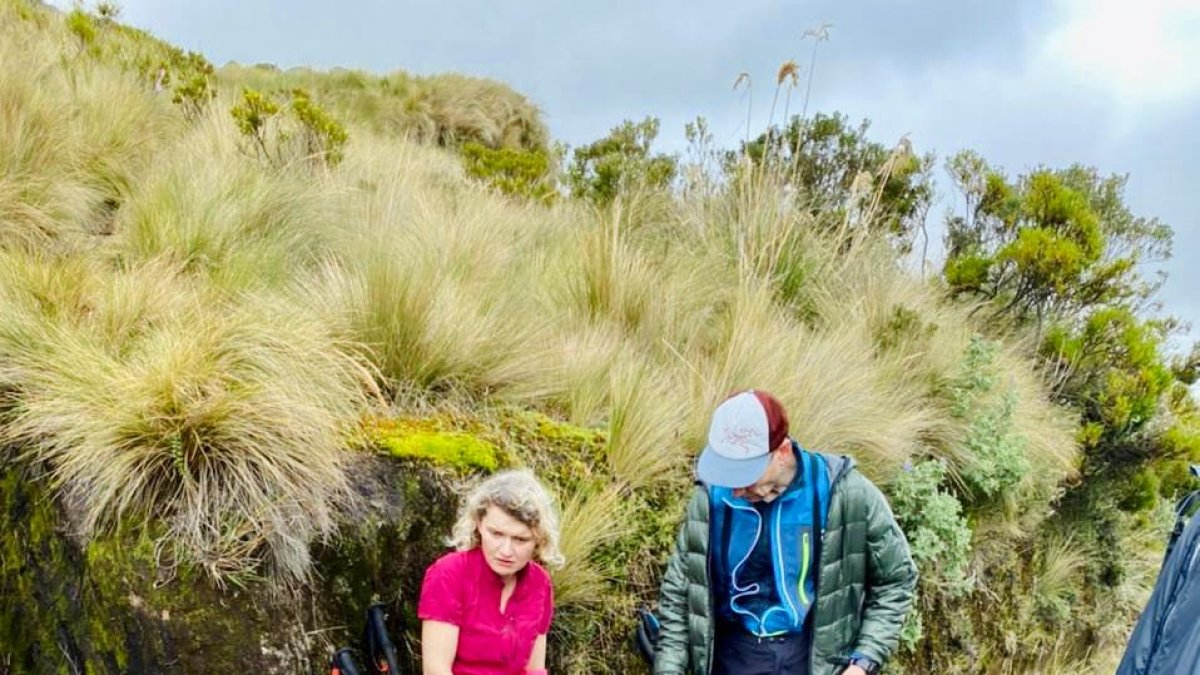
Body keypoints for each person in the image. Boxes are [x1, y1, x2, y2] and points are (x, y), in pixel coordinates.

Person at [653, 389, 917, 675]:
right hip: (731, 657)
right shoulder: (709, 500)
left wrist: (863, 661)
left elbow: (897, 580)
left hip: (814, 659)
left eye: (745, 473)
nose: (737, 489)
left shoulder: (845, 493)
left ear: (781, 452)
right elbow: (680, 593)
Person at [419, 469, 563, 675]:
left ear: (539, 539)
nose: (506, 551)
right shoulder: (449, 573)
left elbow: (535, 670)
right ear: (479, 524)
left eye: (520, 539)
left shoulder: (540, 583)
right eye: (496, 533)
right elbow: (436, 670)